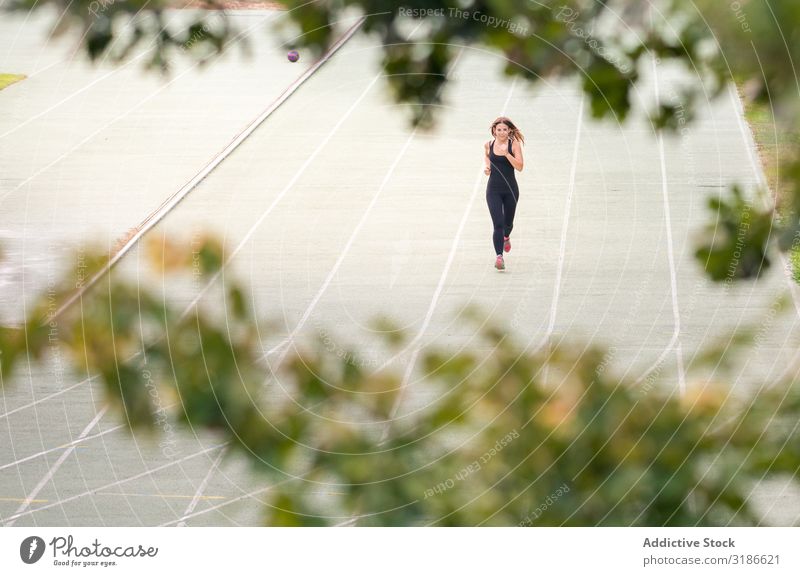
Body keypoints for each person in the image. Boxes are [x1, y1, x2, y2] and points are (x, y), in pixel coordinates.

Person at [484, 116, 525, 270]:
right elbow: (487, 158)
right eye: (499, 130)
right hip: (493, 190)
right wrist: (487, 168)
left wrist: (507, 154)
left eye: (504, 130)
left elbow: (520, 166)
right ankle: (499, 257)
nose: (501, 133)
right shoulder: (488, 145)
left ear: (509, 131)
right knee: (498, 224)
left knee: (507, 224)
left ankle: (506, 236)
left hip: (511, 190)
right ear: (494, 130)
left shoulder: (514, 145)